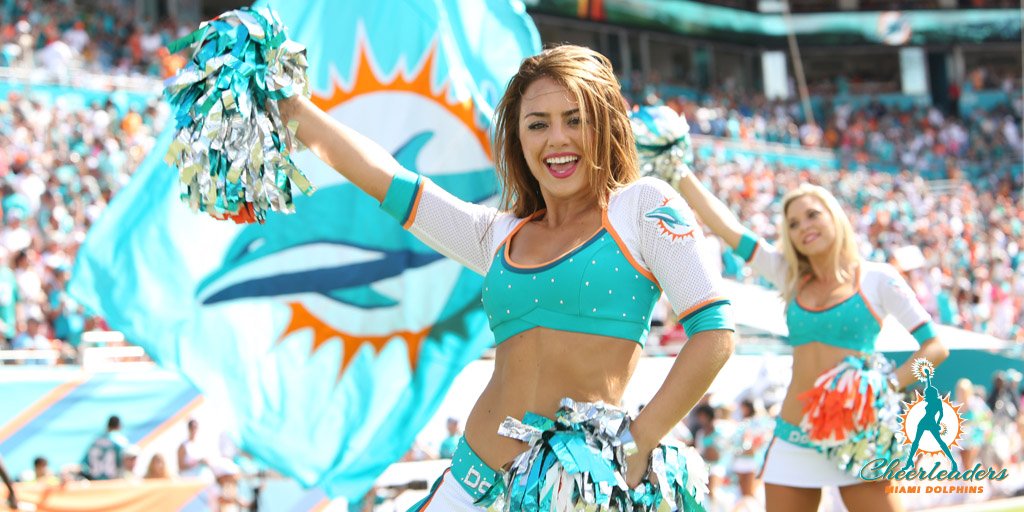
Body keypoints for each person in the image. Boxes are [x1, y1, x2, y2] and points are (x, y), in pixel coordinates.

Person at [278, 44, 735, 509]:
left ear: (606, 125)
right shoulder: (497, 235)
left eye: (575, 120)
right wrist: (288, 106)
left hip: (570, 494)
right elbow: (387, 180)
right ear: (518, 139)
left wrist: (638, 442)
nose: (557, 139)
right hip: (466, 484)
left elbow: (714, 330)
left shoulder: (640, 207)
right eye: (537, 124)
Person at [674, 167, 949, 511]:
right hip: (795, 435)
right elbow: (730, 229)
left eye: (812, 215)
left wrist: (887, 384)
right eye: (793, 223)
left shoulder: (878, 278)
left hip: (857, 431)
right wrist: (679, 170)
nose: (804, 226)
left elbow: (935, 347)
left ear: (834, 217)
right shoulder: (789, 276)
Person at [82, 415, 129, 480]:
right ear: (119, 426)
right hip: (112, 480)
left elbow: (84, 463)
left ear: (107, 426)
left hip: (94, 480)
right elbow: (126, 460)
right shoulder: (120, 440)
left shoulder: (96, 440)